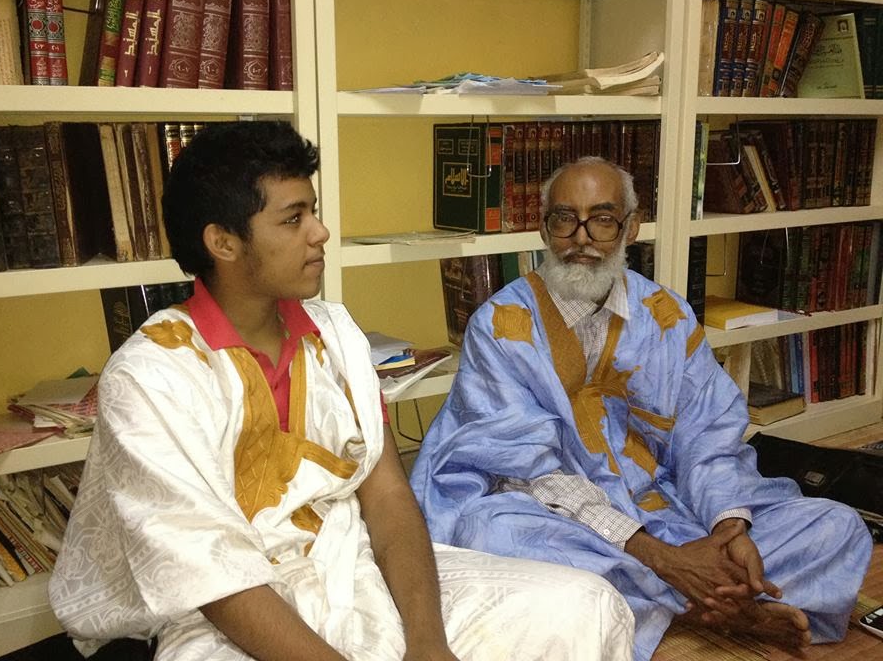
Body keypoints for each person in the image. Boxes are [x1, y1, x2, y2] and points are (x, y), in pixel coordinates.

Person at [48, 123, 635, 661]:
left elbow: (387, 496)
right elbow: (211, 578)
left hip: (353, 566)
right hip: (229, 614)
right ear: (223, 243)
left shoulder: (335, 333)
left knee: (584, 605)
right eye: (293, 219)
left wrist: (428, 643)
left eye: (313, 211)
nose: (320, 232)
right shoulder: (151, 375)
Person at [410, 156, 873, 661]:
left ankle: (670, 601)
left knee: (838, 526)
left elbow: (709, 440)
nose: (582, 238)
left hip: (670, 506)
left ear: (631, 227)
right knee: (492, 532)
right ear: (544, 229)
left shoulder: (666, 316)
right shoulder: (501, 324)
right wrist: (664, 559)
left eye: (602, 219)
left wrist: (727, 529)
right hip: (563, 517)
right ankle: (720, 609)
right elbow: (524, 472)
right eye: (564, 219)